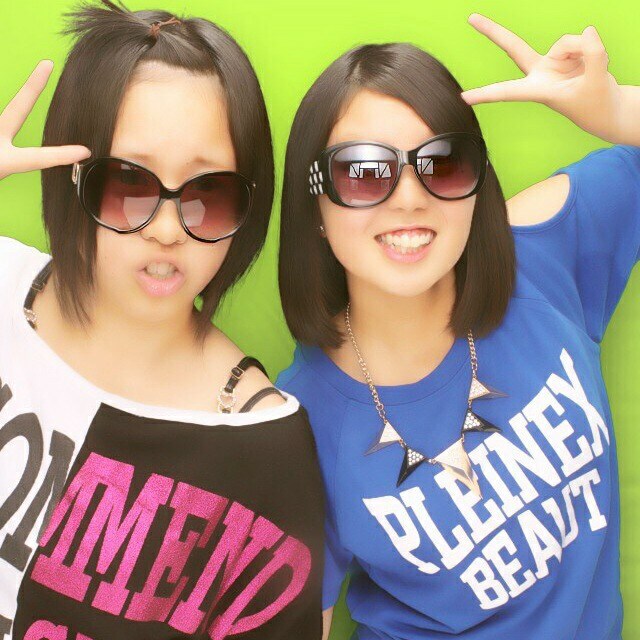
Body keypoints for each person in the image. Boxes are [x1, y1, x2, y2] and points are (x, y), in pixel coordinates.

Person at [277, 13, 639, 640]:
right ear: (315, 205)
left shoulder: (545, 255)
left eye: (442, 164)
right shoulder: (298, 427)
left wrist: (611, 109)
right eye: (363, 172)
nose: (409, 197)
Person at [0, 1, 324, 638]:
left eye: (208, 194)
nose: (169, 230)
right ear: (73, 178)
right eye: (129, 184)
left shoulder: (262, 442)